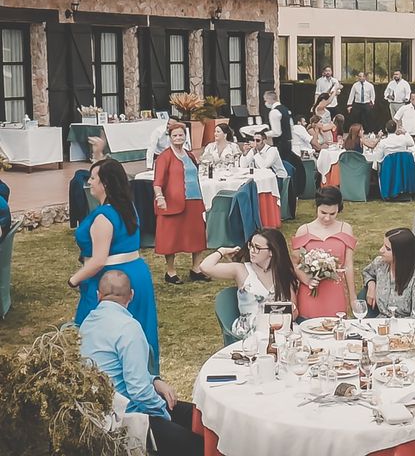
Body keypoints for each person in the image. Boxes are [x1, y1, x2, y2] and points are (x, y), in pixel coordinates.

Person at [79, 271, 203, 456]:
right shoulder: (128, 328)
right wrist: (164, 416)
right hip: (126, 418)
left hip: (97, 412)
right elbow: (139, 391)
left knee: (196, 415)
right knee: (198, 445)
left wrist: (154, 380)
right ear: (131, 295)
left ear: (98, 295)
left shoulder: (87, 323)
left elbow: (119, 369)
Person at [69, 159, 160, 374]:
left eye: (93, 178)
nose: (89, 182)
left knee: (96, 332)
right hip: (136, 273)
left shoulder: (103, 217)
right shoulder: (127, 208)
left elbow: (99, 259)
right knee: (138, 326)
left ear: (105, 184)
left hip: (112, 280)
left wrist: (74, 279)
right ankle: (143, 375)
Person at [199, 229, 299, 325]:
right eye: (251, 245)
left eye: (257, 248)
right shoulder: (241, 270)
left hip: (278, 327)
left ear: (272, 252)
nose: (252, 250)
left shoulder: (281, 272)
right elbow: (205, 267)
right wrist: (222, 251)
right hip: (250, 329)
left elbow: (293, 310)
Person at [153, 122, 208, 285]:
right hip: (173, 203)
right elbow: (157, 181)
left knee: (197, 235)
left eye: (181, 135)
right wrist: (160, 197)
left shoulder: (190, 155)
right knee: (171, 237)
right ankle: (170, 271)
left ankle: (196, 268)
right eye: (175, 135)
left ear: (185, 136)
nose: (178, 138)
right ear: (169, 138)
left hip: (194, 200)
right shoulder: (164, 157)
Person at [292, 186, 356, 319]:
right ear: (316, 208)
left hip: (334, 291)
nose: (327, 218)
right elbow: (293, 263)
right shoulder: (304, 230)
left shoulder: (346, 229)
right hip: (311, 290)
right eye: (323, 212)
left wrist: (353, 297)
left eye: (332, 214)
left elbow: (348, 265)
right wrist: (306, 279)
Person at [362, 228, 415, 318]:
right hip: (380, 324)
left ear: (401, 254)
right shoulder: (379, 263)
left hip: (405, 327)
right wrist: (371, 285)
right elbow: (367, 273)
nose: (381, 250)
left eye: (387, 248)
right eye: (383, 245)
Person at [263, 90, 305, 194]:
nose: (265, 103)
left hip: (280, 144)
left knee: (280, 167)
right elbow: (290, 127)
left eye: (265, 100)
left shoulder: (274, 112)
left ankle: (282, 189)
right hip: (288, 142)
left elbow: (277, 132)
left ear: (269, 99)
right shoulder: (285, 110)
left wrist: (264, 134)